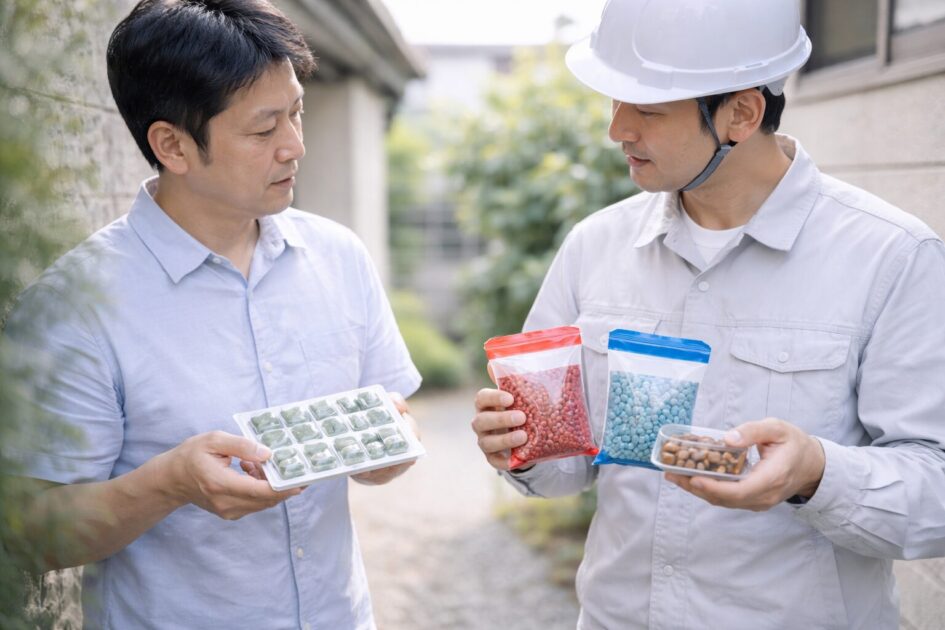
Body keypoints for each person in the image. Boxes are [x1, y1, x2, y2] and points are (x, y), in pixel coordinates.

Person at [470, 1, 945, 628]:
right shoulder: (596, 245)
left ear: (741, 114)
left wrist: (815, 473)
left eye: (648, 109)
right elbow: (567, 465)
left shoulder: (891, 256)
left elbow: (934, 492)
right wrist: (521, 448)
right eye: (615, 101)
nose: (618, 130)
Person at [4, 1, 421, 627]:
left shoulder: (339, 256)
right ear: (171, 144)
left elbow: (386, 451)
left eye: (298, 113)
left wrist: (385, 446)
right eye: (264, 130)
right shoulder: (75, 306)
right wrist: (169, 483)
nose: (295, 147)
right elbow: (28, 534)